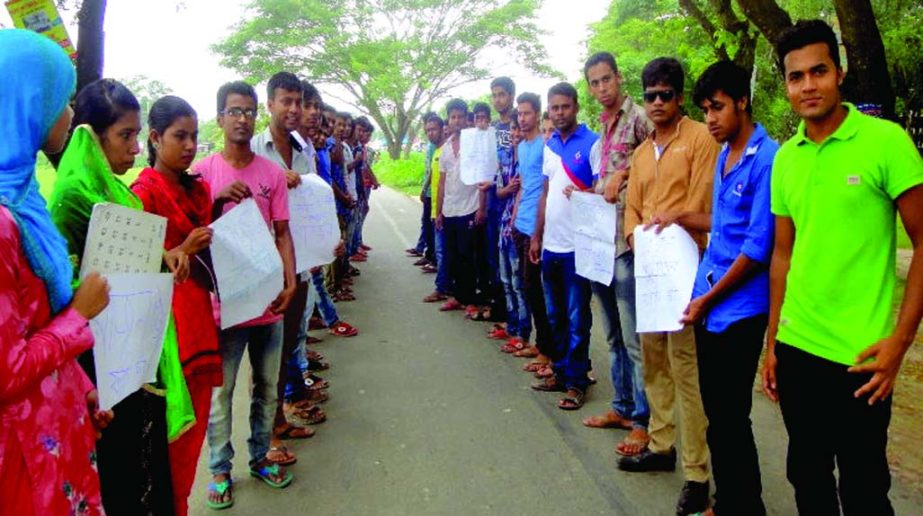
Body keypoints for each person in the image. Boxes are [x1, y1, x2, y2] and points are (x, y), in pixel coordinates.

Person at [764, 20, 923, 515]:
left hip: (862, 358)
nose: (808, 86)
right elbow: (783, 256)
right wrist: (773, 343)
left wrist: (899, 344)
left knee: (864, 489)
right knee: (807, 477)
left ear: (840, 70)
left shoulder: (885, 141)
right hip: (798, 347)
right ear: (786, 85)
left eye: (818, 71)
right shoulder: (786, 158)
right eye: (796, 77)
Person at [50, 78, 179, 515]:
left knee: (148, 470)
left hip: (136, 352)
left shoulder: (119, 193)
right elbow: (60, 291)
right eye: (125, 135)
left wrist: (162, 258)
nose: (136, 148)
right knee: (119, 477)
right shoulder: (72, 198)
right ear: (91, 135)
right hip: (95, 368)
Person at [0, 28, 111, 516]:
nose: (69, 114)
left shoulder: (23, 199)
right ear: (27, 101)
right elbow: (5, 369)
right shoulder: (3, 221)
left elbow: (29, 321)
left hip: (55, 429)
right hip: (24, 458)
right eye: (62, 100)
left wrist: (80, 390)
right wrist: (80, 314)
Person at [619, 57, 718, 516]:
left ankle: (697, 473)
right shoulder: (641, 154)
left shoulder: (699, 139)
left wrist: (672, 231)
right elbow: (632, 210)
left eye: (666, 95)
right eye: (651, 95)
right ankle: (661, 445)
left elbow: (701, 201)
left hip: (686, 269)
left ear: (679, 97)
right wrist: (636, 240)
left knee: (685, 368)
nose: (657, 103)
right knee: (652, 359)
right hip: (649, 270)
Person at [683, 60, 779, 515]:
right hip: (709, 303)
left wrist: (708, 297)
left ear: (742, 102)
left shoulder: (769, 157)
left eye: (718, 107)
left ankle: (745, 504)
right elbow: (721, 232)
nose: (711, 119)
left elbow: (758, 246)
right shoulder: (724, 155)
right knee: (716, 415)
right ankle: (730, 500)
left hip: (741, 307)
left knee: (731, 416)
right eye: (705, 110)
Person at [195, 81, 296, 509]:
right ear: (219, 118)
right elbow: (192, 236)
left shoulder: (271, 174)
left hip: (269, 303)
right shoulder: (201, 174)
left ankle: (260, 458)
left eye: (249, 111)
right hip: (224, 308)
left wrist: (290, 283)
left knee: (268, 388)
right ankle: (220, 470)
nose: (242, 118)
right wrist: (214, 203)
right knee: (222, 392)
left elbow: (283, 233)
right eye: (234, 111)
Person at [131, 95, 222, 516]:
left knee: (190, 446)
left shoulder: (197, 189)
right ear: (154, 137)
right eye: (179, 136)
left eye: (194, 137)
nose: (189, 146)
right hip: (167, 342)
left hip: (200, 328)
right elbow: (136, 275)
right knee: (168, 452)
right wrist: (184, 246)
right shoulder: (142, 195)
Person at [578, 52, 653, 458]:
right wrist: (589, 194)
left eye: (606, 80)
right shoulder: (604, 128)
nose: (602, 88)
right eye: (594, 82)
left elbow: (657, 167)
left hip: (628, 244)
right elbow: (605, 184)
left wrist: (625, 174)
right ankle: (622, 407)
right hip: (599, 246)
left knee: (634, 338)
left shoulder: (640, 118)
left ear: (619, 78)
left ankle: (644, 421)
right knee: (611, 336)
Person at [528, 82, 600, 411]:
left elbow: (601, 192)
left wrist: (586, 195)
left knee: (576, 318)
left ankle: (576, 381)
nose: (559, 113)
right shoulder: (550, 144)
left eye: (564, 107)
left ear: (576, 107)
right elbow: (545, 193)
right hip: (550, 246)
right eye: (554, 108)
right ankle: (558, 370)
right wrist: (536, 236)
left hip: (578, 248)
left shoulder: (593, 143)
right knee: (554, 315)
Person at [511, 92, 554, 371]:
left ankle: (546, 351)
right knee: (527, 286)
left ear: (537, 114)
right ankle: (539, 345)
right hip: (520, 224)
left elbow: (546, 189)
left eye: (527, 113)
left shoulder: (545, 144)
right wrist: (514, 216)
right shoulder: (522, 147)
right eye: (519, 114)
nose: (522, 118)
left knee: (537, 289)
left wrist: (539, 231)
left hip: (539, 226)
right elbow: (525, 183)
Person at [436, 99, 480, 314]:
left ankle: (470, 299)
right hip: (450, 208)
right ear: (449, 120)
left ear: (466, 118)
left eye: (460, 116)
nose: (456, 120)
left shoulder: (475, 143)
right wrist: (438, 212)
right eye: (453, 117)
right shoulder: (445, 148)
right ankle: (456, 297)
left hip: (470, 207)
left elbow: (483, 175)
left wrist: (481, 207)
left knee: (467, 255)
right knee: (452, 255)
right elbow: (442, 182)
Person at [495, 112, 531, 354]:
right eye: (513, 130)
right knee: (507, 280)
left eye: (519, 129)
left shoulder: (529, 158)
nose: (516, 133)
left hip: (519, 228)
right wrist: (508, 188)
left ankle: (523, 333)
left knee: (519, 283)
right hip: (504, 226)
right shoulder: (505, 157)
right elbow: (498, 191)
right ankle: (511, 326)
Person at [422, 114, 450, 301]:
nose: (430, 133)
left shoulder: (447, 150)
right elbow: (434, 174)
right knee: (441, 250)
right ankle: (445, 286)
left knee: (443, 251)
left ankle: (442, 288)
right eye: (427, 130)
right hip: (434, 207)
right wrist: (424, 188)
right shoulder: (437, 150)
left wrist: (441, 211)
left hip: (445, 209)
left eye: (433, 129)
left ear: (441, 129)